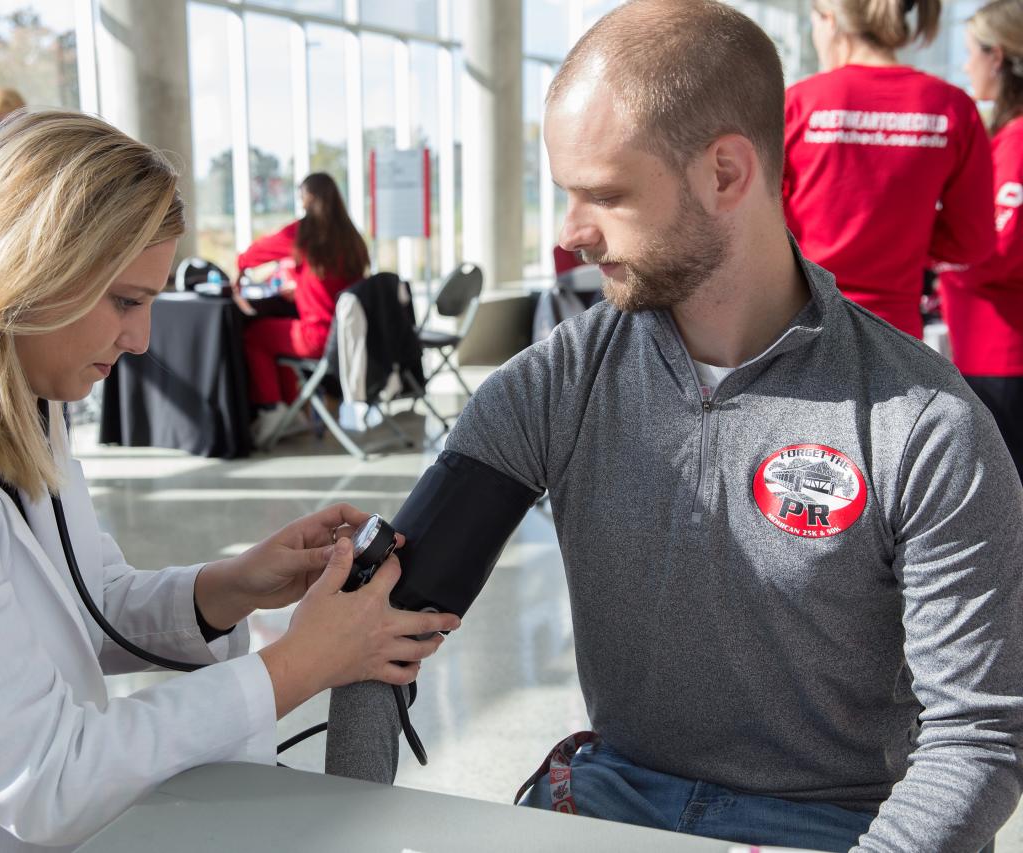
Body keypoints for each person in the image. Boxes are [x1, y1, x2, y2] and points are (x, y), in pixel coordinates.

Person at [336, 2, 1023, 850]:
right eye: (566, 193)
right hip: (614, 799)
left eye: (606, 195)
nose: (570, 233)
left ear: (726, 174)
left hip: (840, 826)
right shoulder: (558, 380)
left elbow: (977, 740)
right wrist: (351, 816)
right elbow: (384, 610)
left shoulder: (926, 427)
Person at [0, 111, 459, 851]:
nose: (142, 338)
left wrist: (236, 583)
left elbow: (91, 600)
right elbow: (48, 777)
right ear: (21, 270)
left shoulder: (14, 399)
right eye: (126, 300)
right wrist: (303, 662)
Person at [782, 0, 995, 338]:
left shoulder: (798, 103)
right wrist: (905, 237)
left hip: (801, 325)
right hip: (896, 334)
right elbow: (972, 240)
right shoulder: (952, 108)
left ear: (831, 21)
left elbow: (758, 219)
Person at [940, 0, 1023, 481]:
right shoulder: (1005, 136)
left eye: (971, 51)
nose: (966, 64)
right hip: (988, 347)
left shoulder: (1016, 141)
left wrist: (932, 257)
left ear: (997, 57)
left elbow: (1001, 249)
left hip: (1001, 353)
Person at [235, 173, 370, 445]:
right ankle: (291, 407)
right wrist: (302, 286)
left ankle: (272, 408)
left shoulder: (304, 233)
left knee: (255, 335)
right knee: (278, 335)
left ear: (307, 197)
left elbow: (256, 253)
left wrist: (238, 267)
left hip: (319, 336)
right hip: (349, 337)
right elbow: (338, 286)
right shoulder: (351, 237)